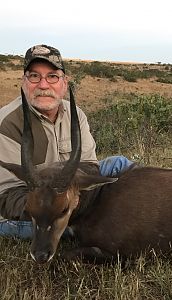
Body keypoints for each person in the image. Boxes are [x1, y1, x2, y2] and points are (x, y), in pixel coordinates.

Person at [0, 44, 134, 239]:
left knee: (119, 164)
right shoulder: (7, 123)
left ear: (64, 82)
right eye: (34, 76)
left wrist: (71, 192)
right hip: (32, 209)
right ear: (24, 82)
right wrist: (54, 203)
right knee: (69, 227)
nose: (43, 85)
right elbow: (6, 196)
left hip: (70, 192)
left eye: (52, 76)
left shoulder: (75, 114)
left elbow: (90, 167)